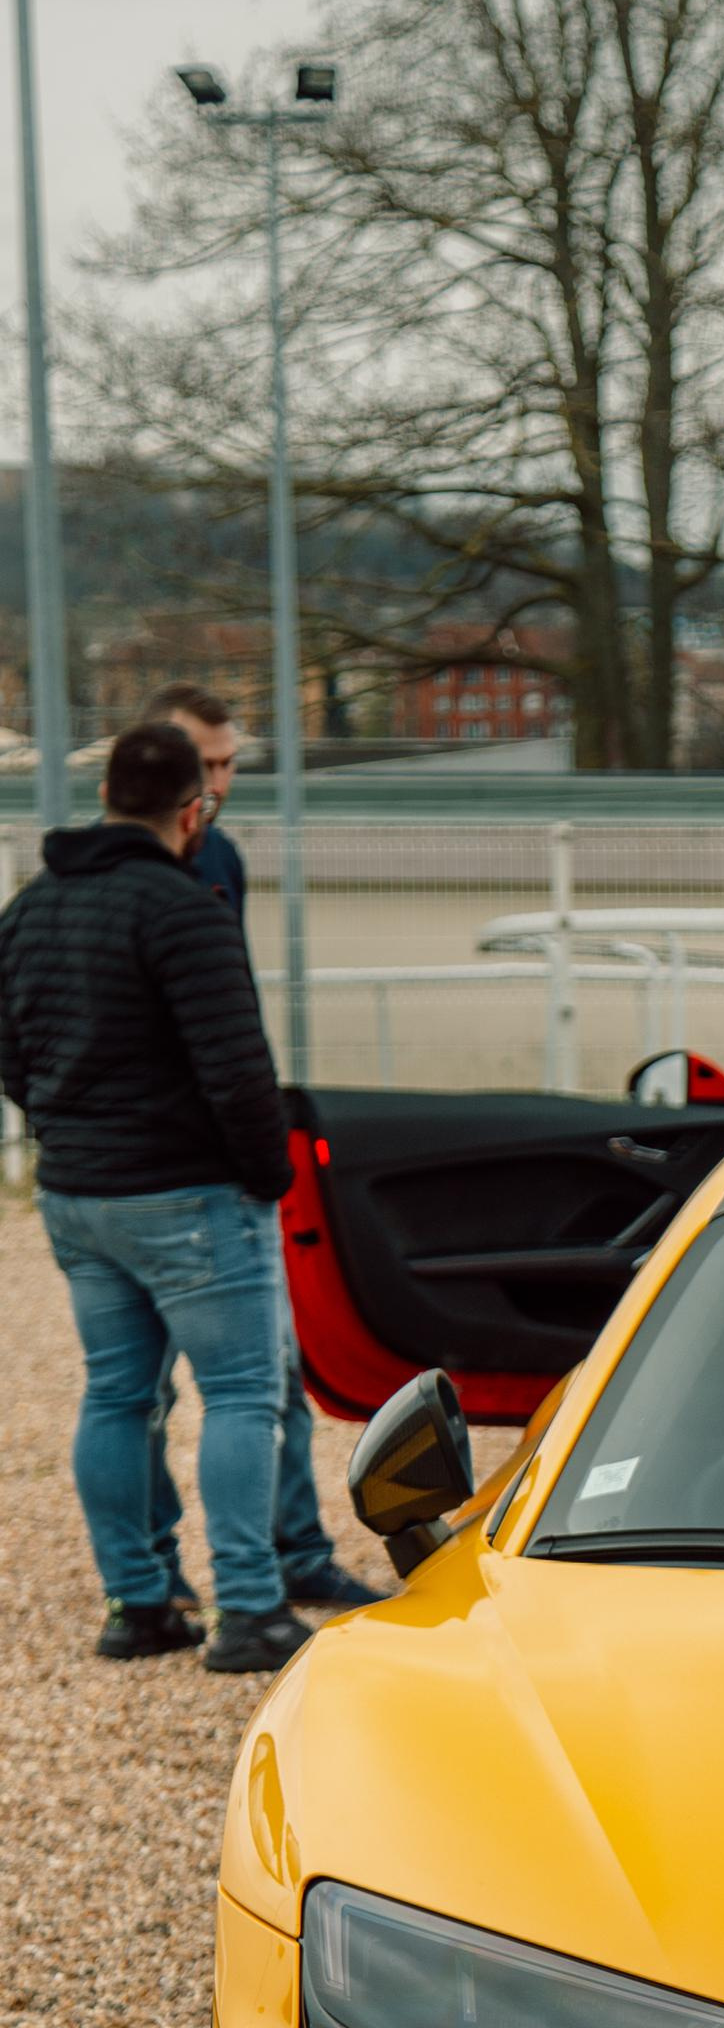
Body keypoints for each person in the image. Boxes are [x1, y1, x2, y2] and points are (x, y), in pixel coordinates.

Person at [0, 718, 308, 1672]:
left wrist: (66, 1128)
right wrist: (267, 1177)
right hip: (188, 1194)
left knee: (118, 1395)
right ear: (192, 810)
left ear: (105, 801)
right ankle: (251, 1609)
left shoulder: (32, 907)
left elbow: (9, 1052)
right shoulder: (183, 911)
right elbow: (237, 1070)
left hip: (79, 1195)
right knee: (243, 1395)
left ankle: (140, 1604)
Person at [139, 680, 375, 1617]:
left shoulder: (211, 857)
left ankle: (197, 1574)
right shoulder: (163, 871)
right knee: (213, 1384)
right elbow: (210, 1033)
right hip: (184, 1171)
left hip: (162, 1168)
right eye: (209, 766)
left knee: (198, 1383)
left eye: (233, 765)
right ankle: (228, 1580)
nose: (223, 784)